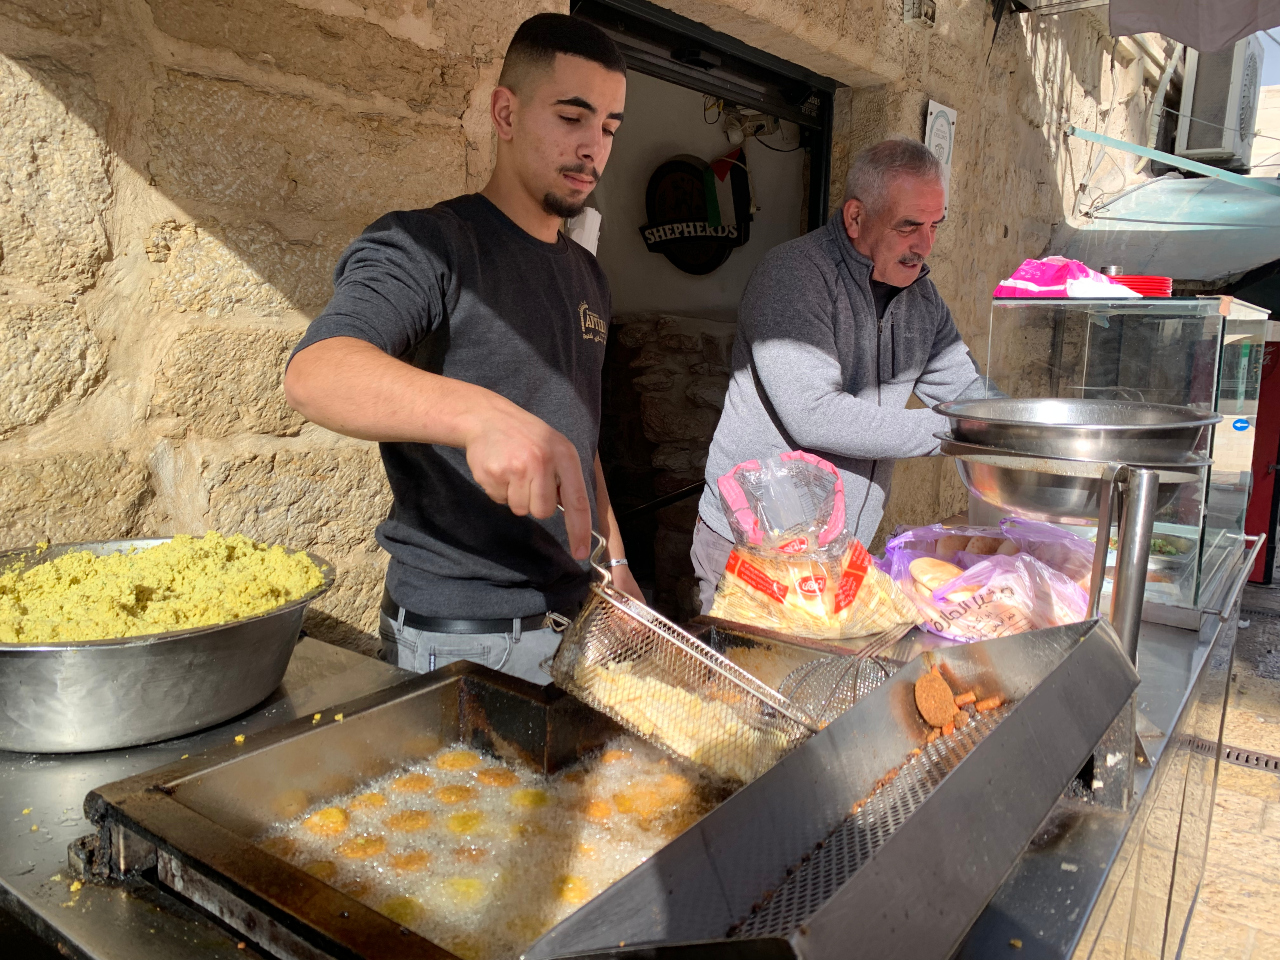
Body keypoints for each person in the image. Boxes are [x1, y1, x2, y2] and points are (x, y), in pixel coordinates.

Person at [284, 13, 642, 684]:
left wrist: (615, 568)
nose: (594, 146)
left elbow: (578, 434)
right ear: (504, 113)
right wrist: (479, 415)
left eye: (610, 129)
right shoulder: (428, 245)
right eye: (572, 117)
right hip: (462, 640)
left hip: (574, 618)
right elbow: (316, 370)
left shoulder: (587, 274)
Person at [690, 138, 993, 614]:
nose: (925, 244)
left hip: (837, 556)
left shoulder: (922, 299)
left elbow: (970, 394)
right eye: (909, 226)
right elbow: (814, 414)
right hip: (758, 551)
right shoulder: (794, 276)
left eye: (936, 225)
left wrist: (1020, 424)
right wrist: (959, 430)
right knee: (746, 686)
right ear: (855, 218)